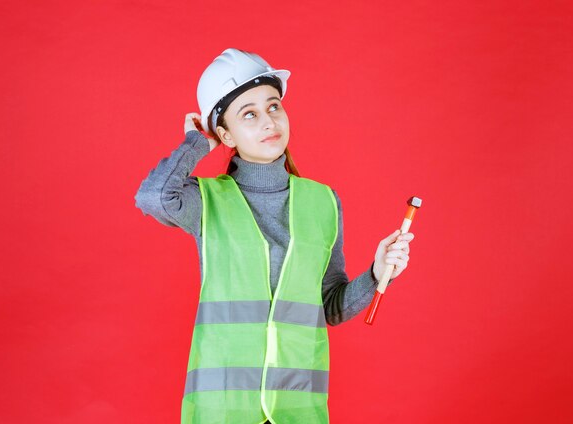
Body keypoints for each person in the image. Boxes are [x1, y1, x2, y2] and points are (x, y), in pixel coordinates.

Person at [134, 48, 415, 424]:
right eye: (248, 114)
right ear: (225, 134)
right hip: (224, 411)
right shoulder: (206, 200)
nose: (268, 121)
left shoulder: (322, 202)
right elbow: (153, 197)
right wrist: (197, 142)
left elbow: (329, 307)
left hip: (297, 407)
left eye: (273, 106)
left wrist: (379, 274)